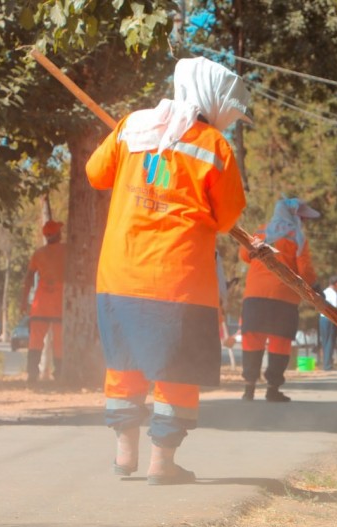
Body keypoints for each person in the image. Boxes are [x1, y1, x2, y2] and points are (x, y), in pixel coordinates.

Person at [85, 56, 251, 485]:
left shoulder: (131, 126)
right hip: (179, 280)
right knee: (176, 369)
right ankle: (162, 462)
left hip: (120, 273)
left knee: (124, 362)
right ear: (213, 99)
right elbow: (228, 217)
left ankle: (124, 456)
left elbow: (94, 174)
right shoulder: (214, 146)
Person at [239, 196, 318, 402]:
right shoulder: (298, 237)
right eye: (303, 217)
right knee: (279, 344)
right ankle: (272, 389)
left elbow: (244, 254)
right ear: (294, 215)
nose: (305, 221)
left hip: (254, 296)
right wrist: (312, 285)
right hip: (284, 299)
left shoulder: (261, 231)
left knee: (252, 341)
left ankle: (249, 388)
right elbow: (305, 271)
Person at [20, 220, 66, 384]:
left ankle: (32, 375)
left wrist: (24, 302)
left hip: (40, 305)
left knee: (35, 342)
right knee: (60, 343)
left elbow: (28, 278)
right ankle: (59, 374)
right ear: (58, 234)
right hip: (60, 305)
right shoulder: (67, 251)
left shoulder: (38, 254)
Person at [320, 275, 337, 370]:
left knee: (325, 341)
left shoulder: (324, 292)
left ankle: (326, 363)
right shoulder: (333, 294)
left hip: (323, 318)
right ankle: (328, 365)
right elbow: (335, 308)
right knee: (330, 341)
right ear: (336, 283)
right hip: (331, 319)